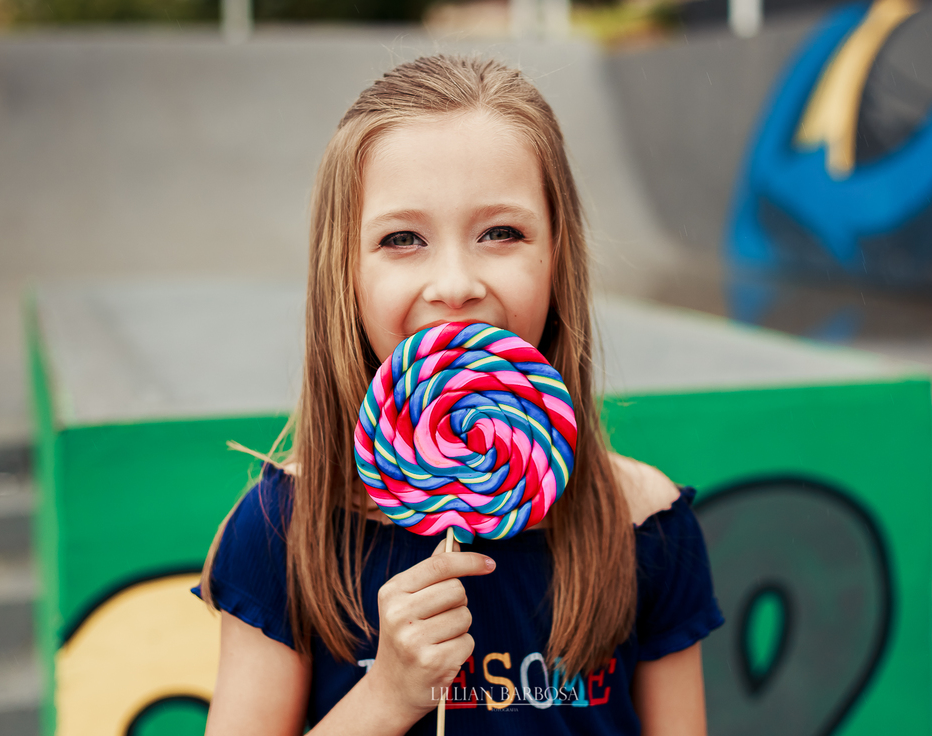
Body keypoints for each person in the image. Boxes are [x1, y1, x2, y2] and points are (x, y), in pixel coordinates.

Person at [193, 53, 724, 735]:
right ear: (344, 274)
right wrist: (386, 695)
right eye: (402, 238)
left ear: (558, 254)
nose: (455, 283)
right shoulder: (281, 531)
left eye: (501, 233)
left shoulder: (644, 524)